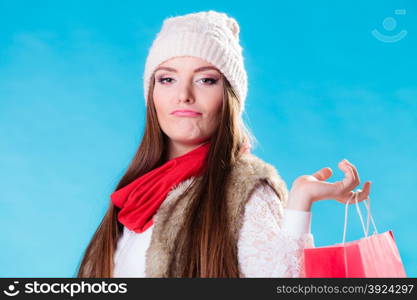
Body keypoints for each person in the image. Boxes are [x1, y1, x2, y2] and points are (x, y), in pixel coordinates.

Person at [76, 10, 371, 278]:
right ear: (151, 94)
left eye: (206, 80)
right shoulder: (135, 193)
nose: (184, 95)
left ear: (229, 97)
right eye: (167, 80)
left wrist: (300, 200)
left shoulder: (244, 187)